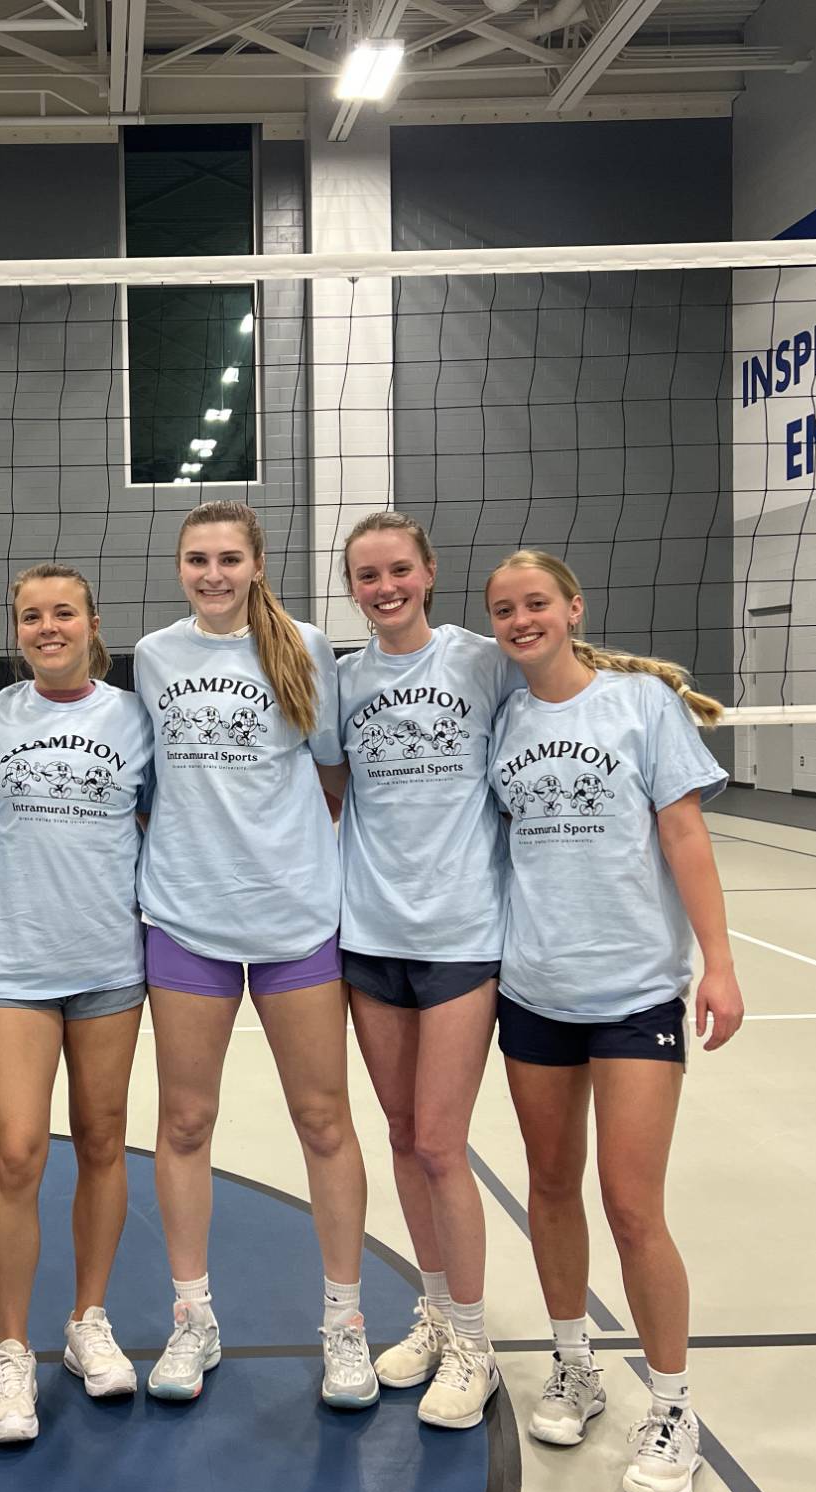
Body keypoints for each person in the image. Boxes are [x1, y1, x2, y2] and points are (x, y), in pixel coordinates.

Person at [483, 548, 744, 1492]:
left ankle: (672, 1403)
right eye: (505, 609)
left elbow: (685, 835)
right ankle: (573, 1364)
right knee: (550, 1185)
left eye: (537, 602)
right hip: (534, 988)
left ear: (573, 605)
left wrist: (718, 962)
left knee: (632, 1207)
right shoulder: (501, 715)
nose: (521, 620)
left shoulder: (641, 708)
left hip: (635, 993)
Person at [132, 499, 375, 1410]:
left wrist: (282, 853)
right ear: (181, 566)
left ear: (258, 565)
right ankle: (193, 1317)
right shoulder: (156, 657)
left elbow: (331, 772)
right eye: (197, 559)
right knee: (186, 1123)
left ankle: (345, 1323)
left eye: (229, 558)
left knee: (323, 1120)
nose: (213, 574)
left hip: (295, 921)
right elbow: (154, 783)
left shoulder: (307, 649)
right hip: (188, 919)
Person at [331, 512, 518, 1429]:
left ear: (429, 572)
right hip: (369, 939)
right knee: (403, 1134)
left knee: (444, 1143)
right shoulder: (344, 681)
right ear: (352, 587)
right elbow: (330, 793)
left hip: (460, 937)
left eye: (398, 569)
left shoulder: (481, 662)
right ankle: (438, 1311)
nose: (385, 587)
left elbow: (569, 681)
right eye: (367, 576)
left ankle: (477, 1343)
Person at [0, 563, 154, 1444]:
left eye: (63, 613)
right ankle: (11, 1352)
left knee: (105, 1141)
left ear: (92, 620)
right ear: (18, 629)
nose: (48, 627)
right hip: (15, 965)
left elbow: (158, 819)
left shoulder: (133, 717)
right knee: (16, 1152)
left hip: (110, 961)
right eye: (32, 616)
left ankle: (88, 1321)